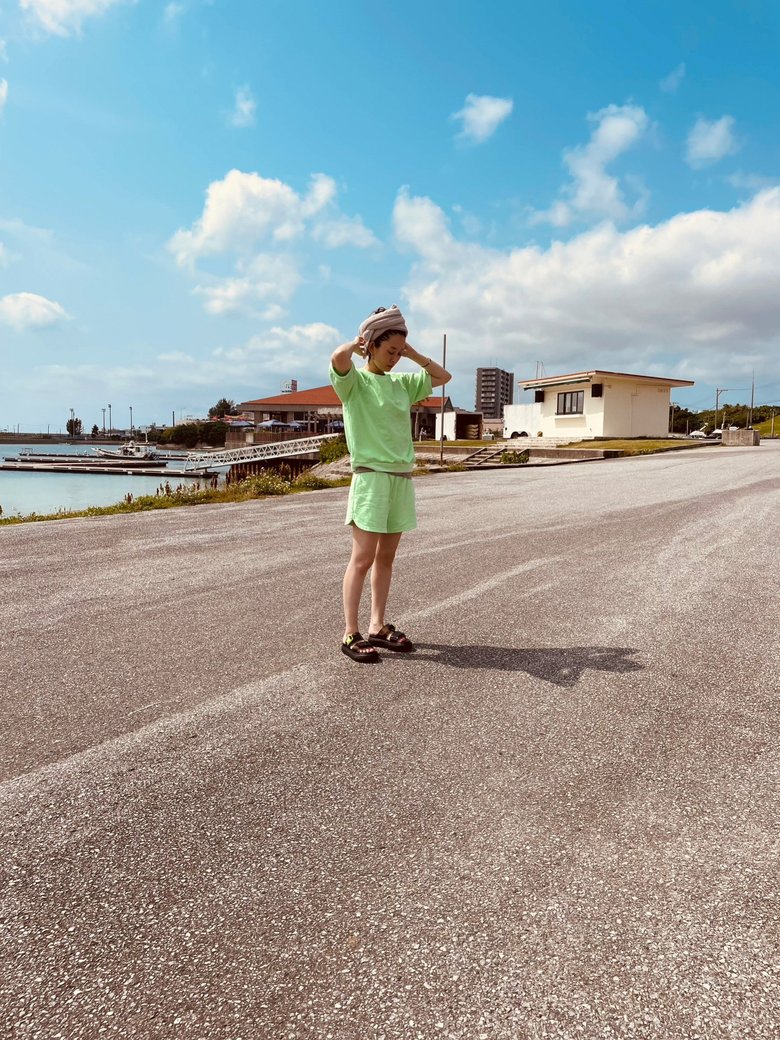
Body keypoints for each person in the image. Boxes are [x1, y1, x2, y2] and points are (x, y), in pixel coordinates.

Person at [330, 305, 451, 663]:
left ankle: (377, 625)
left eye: (399, 352)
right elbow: (338, 359)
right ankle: (350, 633)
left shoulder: (402, 384)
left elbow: (443, 376)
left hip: (400, 478)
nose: (396, 358)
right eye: (390, 351)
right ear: (371, 345)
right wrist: (356, 344)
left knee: (386, 558)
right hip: (370, 478)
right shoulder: (354, 382)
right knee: (362, 558)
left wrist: (413, 352)